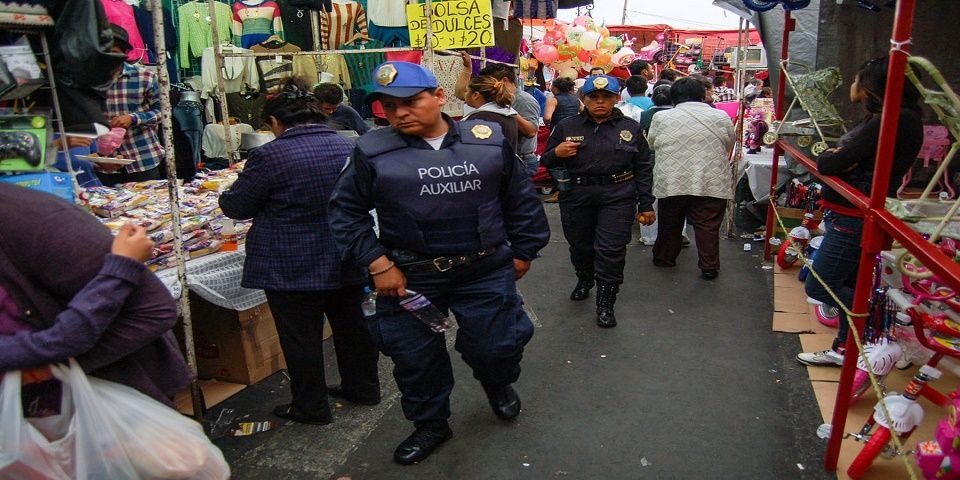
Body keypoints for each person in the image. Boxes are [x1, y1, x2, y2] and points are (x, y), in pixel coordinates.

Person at [329, 61, 550, 465]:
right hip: (409, 276)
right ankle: (430, 423)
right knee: (415, 358)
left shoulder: (485, 139)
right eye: (387, 106)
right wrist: (378, 263)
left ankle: (496, 381)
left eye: (410, 101)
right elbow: (345, 212)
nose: (398, 113)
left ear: (439, 97)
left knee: (497, 346)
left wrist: (524, 251)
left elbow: (518, 198)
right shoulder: (371, 149)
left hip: (484, 269)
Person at [220, 79, 381, 425]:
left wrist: (228, 193)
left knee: (301, 339)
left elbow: (237, 206)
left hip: (291, 263)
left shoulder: (269, 155)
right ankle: (364, 387)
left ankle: (311, 406)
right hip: (346, 253)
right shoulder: (349, 147)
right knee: (353, 328)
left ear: (276, 123)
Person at [0, 183, 191, 407]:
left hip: (102, 405)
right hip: (68, 408)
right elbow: (61, 341)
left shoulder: (30, 217)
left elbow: (153, 310)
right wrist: (121, 267)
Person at [796, 57, 924, 367]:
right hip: (848, 213)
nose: (853, 85)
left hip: (854, 217)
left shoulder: (892, 119)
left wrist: (837, 156)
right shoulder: (888, 118)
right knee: (848, 284)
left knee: (821, 283)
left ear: (873, 86)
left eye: (858, 79)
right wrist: (838, 156)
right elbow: (837, 158)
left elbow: (829, 163)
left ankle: (875, 327)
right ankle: (845, 348)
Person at [540, 75, 655, 328]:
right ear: (584, 99)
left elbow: (644, 167)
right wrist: (557, 154)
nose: (600, 102)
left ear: (616, 99)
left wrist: (646, 204)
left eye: (606, 97)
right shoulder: (567, 127)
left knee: (611, 250)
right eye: (594, 97)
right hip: (577, 195)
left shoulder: (631, 128)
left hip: (618, 196)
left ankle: (606, 302)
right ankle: (584, 278)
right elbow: (545, 160)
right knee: (580, 246)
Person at [647, 76, 736, 280]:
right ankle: (709, 266)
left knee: (670, 221)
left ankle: (664, 257)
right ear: (702, 95)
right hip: (711, 176)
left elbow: (652, 143)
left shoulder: (662, 118)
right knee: (708, 225)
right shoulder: (720, 116)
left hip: (673, 177)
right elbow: (729, 142)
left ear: (674, 96)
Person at [97, 24, 164, 186]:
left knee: (148, 207)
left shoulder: (145, 77)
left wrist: (134, 118)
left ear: (124, 54)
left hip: (141, 157)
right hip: (105, 162)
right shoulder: (89, 80)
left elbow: (163, 111)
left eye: (113, 53)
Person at [478, 62, 542, 176]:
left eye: (491, 82)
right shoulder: (493, 99)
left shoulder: (524, 100)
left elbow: (531, 131)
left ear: (504, 81)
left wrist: (507, 109)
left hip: (521, 161)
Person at [462, 75, 520, 152]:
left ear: (475, 95)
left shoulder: (480, 118)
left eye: (467, 91)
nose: (465, 94)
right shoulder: (507, 114)